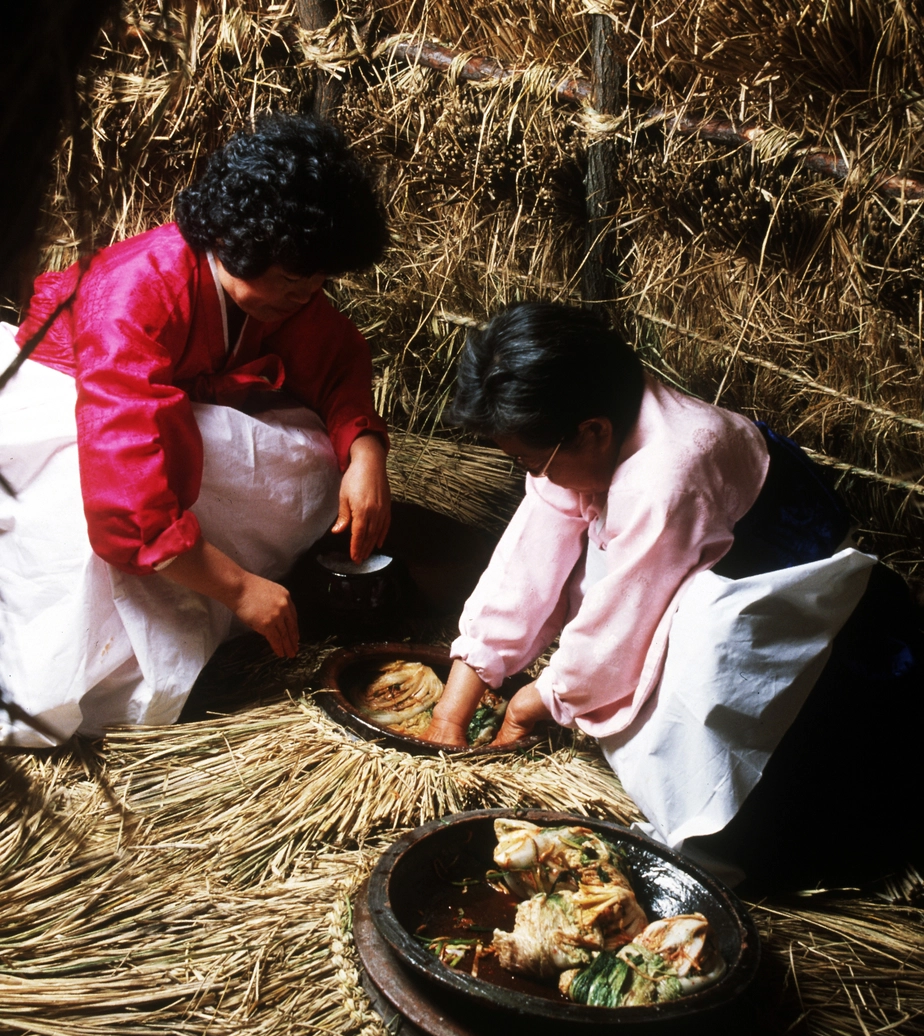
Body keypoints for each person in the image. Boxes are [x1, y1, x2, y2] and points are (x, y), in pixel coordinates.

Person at [427, 302, 923, 890]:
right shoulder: (586, 416)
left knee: (702, 674)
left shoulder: (668, 474)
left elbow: (619, 629)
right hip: (681, 561)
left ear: (593, 433)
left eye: (534, 461)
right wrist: (454, 702)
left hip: (802, 621)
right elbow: (530, 554)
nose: (534, 473)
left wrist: (534, 703)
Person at [0, 113, 390, 746]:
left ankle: (206, 593)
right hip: (78, 407)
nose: (309, 296)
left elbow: (337, 356)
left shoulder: (276, 283)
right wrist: (238, 589)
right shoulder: (132, 293)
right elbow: (126, 499)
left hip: (168, 410)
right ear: (237, 244)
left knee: (313, 460)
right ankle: (189, 610)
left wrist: (365, 449)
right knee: (81, 604)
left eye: (319, 282)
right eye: (296, 282)